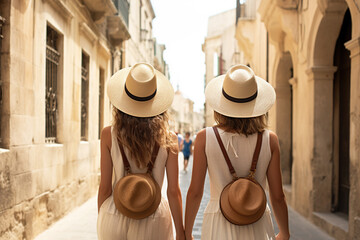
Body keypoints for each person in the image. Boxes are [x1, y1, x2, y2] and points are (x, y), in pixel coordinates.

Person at [185, 64, 290, 240]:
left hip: (218, 221)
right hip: (256, 220)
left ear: (221, 104)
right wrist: (285, 232)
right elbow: (277, 196)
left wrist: (186, 232)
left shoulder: (205, 137)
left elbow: (195, 192)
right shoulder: (269, 140)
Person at [97, 63, 185, 240]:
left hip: (115, 213)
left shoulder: (109, 134)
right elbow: (173, 191)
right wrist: (182, 232)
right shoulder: (169, 139)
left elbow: (105, 188)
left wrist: (102, 218)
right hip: (154, 218)